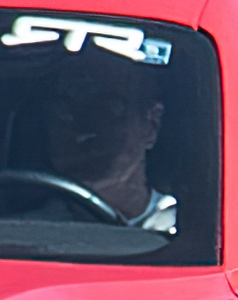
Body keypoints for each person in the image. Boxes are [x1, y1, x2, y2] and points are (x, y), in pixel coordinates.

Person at [40, 55, 175, 232]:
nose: (82, 132)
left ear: (151, 126)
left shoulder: (192, 234)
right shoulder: (17, 235)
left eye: (105, 110)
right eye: (64, 115)